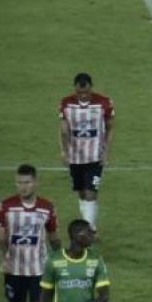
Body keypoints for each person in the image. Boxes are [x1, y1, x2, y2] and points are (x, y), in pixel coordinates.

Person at [0, 165, 61, 302]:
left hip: (39, 268)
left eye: (26, 182)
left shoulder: (47, 207)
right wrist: (3, 259)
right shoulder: (6, 207)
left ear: (35, 182)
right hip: (14, 269)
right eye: (19, 183)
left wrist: (61, 261)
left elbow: (53, 237)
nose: (22, 187)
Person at [58, 73, 115, 229]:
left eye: (86, 92)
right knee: (82, 193)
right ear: (74, 89)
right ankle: (90, 225)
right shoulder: (66, 103)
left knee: (91, 193)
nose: (83, 95)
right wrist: (64, 151)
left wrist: (106, 151)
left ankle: (89, 230)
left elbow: (110, 127)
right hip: (75, 157)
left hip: (95, 156)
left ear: (91, 88)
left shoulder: (104, 102)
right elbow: (62, 129)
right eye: (79, 92)